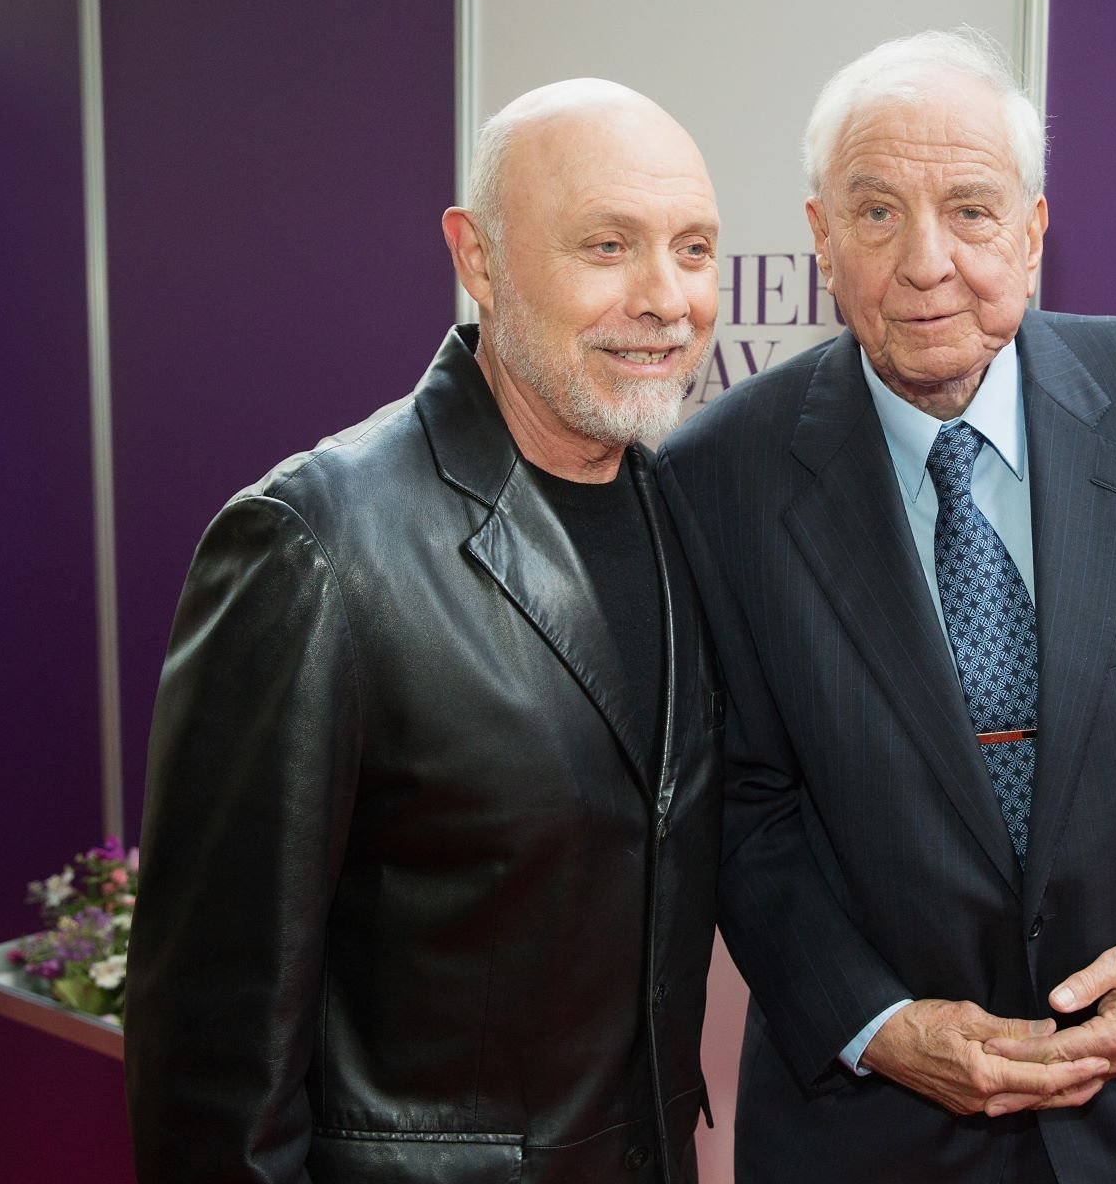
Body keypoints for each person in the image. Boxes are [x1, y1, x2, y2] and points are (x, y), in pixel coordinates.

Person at [657, 30, 1116, 1182]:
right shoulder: (715, 474)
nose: (926, 263)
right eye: (875, 214)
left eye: (970, 210)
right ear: (817, 237)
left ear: (1035, 232)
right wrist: (878, 1026)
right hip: (871, 1130)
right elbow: (738, 806)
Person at [124, 79, 726, 1184]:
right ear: (478, 257)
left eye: (694, 249)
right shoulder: (313, 545)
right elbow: (211, 1068)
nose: (666, 297)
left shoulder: (685, 510)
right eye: (608, 245)